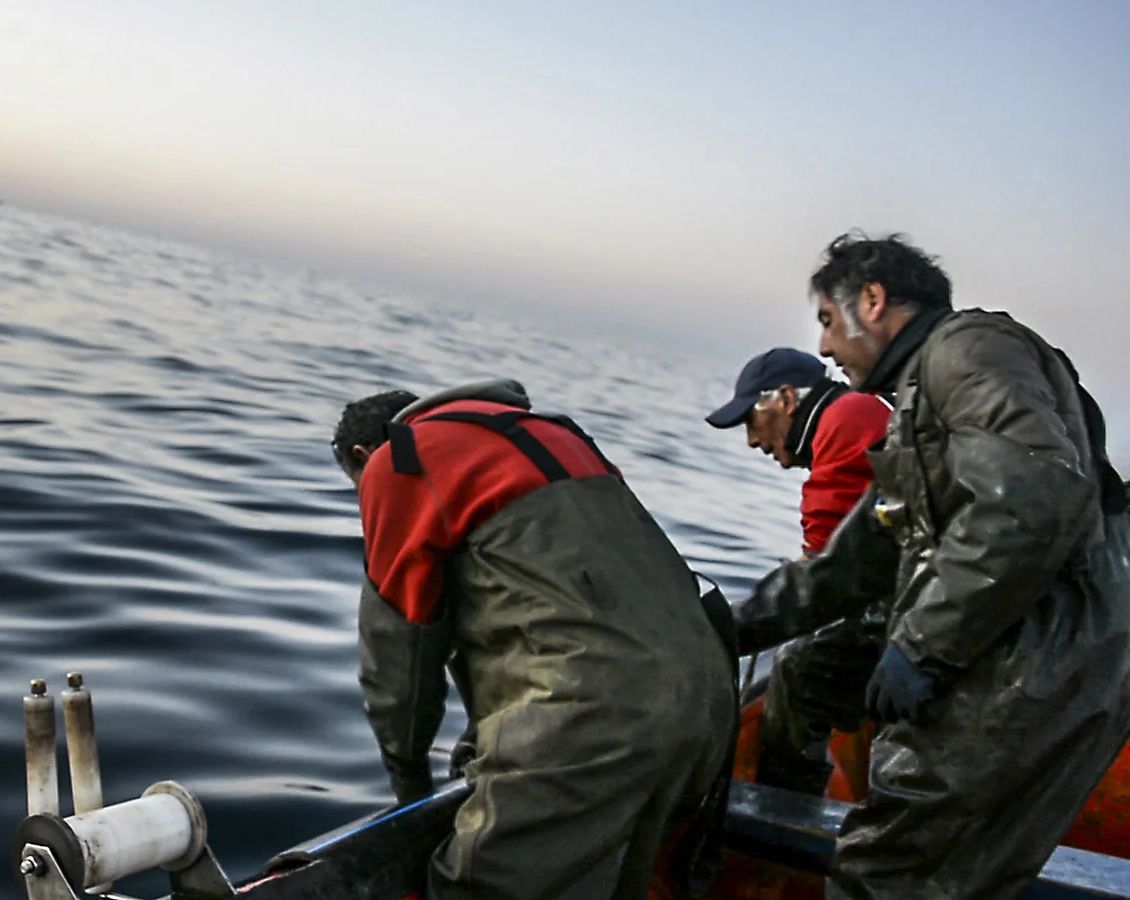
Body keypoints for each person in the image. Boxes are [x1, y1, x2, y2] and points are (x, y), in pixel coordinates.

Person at [734, 231, 1130, 898]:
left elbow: (1032, 500)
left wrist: (923, 646)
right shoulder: (916, 413)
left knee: (883, 874)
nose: (825, 348)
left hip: (1034, 668)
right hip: (1039, 662)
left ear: (873, 298)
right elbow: (850, 565)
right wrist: (724, 626)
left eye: (828, 321)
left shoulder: (968, 351)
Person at [332, 378, 737, 900]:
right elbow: (555, 609)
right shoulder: (557, 436)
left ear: (366, 454)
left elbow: (399, 669)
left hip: (594, 723)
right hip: (707, 706)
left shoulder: (400, 464)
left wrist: (411, 791)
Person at [705, 348, 891, 795]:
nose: (751, 440)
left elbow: (822, 581)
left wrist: (719, 631)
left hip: (917, 608)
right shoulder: (865, 409)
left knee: (799, 672)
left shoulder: (843, 425)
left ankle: (786, 814)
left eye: (750, 419)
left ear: (787, 398)